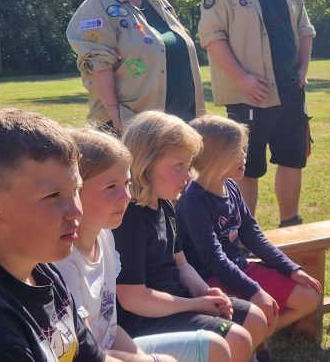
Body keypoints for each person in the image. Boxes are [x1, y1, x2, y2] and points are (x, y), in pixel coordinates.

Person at [0, 108, 112, 360]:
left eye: (76, 190)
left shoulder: (37, 267)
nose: (77, 211)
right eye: (53, 195)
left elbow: (92, 357)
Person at [56, 127, 230, 362]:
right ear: (75, 191)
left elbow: (110, 327)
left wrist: (141, 356)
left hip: (111, 348)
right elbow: (84, 353)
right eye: (111, 187)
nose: (126, 196)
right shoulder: (63, 261)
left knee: (218, 347)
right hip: (90, 356)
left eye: (127, 183)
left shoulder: (105, 237)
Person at [113, 111, 268, 362]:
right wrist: (195, 304)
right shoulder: (129, 218)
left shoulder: (165, 204)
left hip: (177, 302)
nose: (188, 175)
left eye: (188, 166)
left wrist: (206, 293)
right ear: (146, 163)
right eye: (179, 166)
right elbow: (133, 299)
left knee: (254, 318)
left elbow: (182, 264)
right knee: (236, 338)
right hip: (144, 320)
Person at [198, 0, 315, 227]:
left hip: (290, 89)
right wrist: (243, 79)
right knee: (246, 168)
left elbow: (304, 28)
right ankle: (245, 236)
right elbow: (212, 38)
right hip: (250, 94)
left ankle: (291, 225)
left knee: (292, 159)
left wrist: (302, 70)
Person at [176, 115, 322, 336]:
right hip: (211, 280)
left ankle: (259, 335)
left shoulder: (231, 187)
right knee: (260, 312)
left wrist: (291, 268)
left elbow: (253, 236)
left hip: (240, 268)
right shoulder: (194, 201)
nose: (244, 155)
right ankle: (252, 336)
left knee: (310, 296)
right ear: (215, 157)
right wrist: (255, 291)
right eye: (237, 150)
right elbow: (214, 259)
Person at [67, 0, 205, 130]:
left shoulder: (157, 1)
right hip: (132, 127)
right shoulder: (97, 6)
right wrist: (116, 116)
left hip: (181, 123)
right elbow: (99, 66)